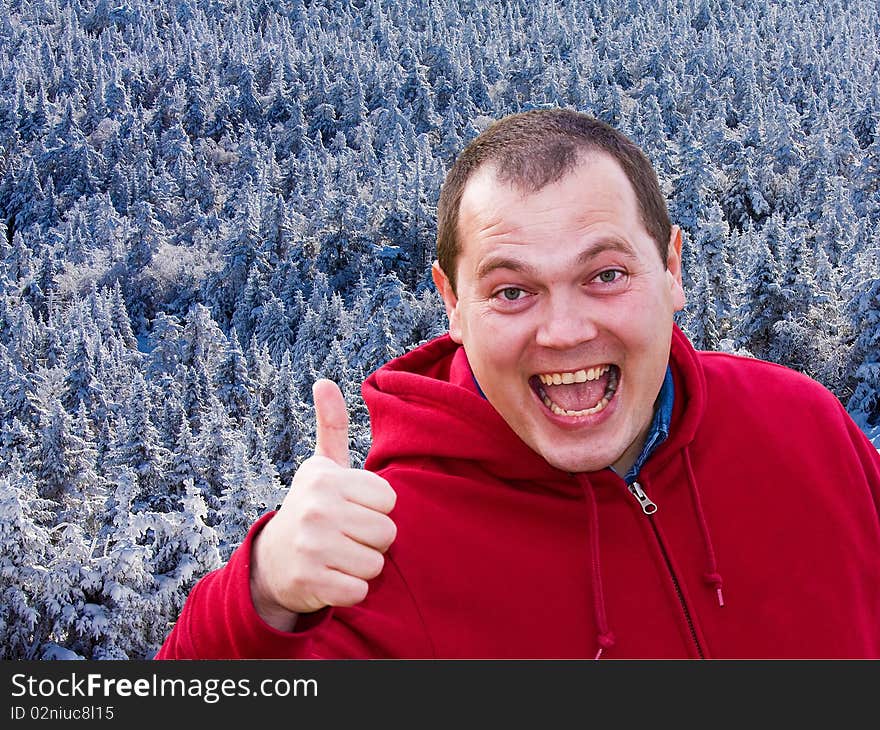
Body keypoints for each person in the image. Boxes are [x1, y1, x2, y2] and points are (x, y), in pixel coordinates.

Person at [156, 108, 880, 659]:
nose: (563, 331)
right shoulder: (382, 554)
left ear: (672, 269)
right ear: (453, 304)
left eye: (606, 275)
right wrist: (260, 595)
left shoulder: (805, 427)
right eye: (512, 291)